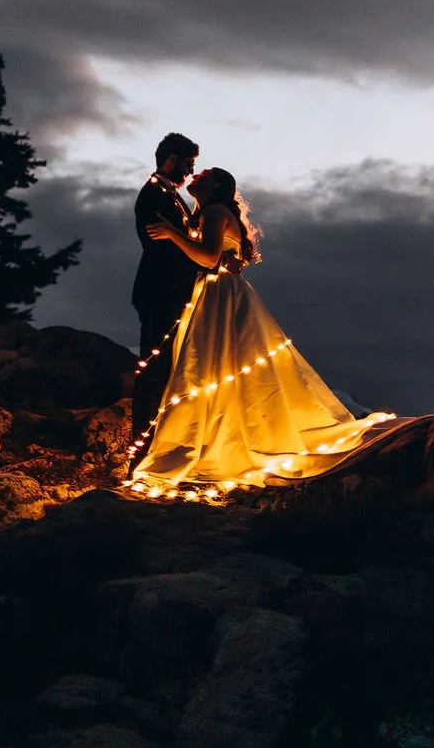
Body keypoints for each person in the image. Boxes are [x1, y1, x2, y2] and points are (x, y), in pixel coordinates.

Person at [129, 167, 401, 497]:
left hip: (219, 295)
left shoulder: (215, 211)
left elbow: (209, 257)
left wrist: (173, 233)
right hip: (221, 293)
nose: (196, 176)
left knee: (213, 366)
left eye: (205, 174)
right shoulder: (209, 212)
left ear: (218, 186)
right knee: (226, 369)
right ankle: (227, 437)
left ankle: (215, 442)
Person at [130, 133, 201, 432]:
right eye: (187, 164)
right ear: (169, 160)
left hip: (168, 291)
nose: (191, 172)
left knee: (166, 367)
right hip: (160, 291)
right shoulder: (154, 195)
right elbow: (161, 247)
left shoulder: (169, 195)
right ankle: (142, 443)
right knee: (154, 369)